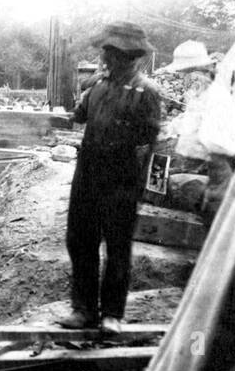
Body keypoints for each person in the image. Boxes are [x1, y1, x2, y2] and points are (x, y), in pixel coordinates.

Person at [59, 22, 162, 330]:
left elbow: (150, 142)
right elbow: (77, 117)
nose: (104, 58)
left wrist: (140, 185)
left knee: (117, 245)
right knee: (80, 240)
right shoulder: (97, 87)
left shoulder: (147, 92)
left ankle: (113, 314)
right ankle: (84, 309)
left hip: (122, 176)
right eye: (105, 53)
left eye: (110, 53)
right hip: (88, 172)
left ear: (126, 56)